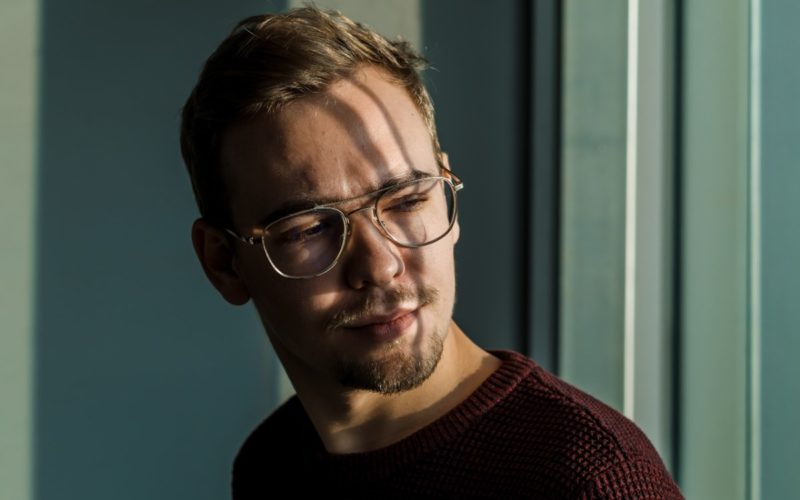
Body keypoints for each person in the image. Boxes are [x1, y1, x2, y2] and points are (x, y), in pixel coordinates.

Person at [180, 6, 683, 499]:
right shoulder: (273, 464)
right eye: (309, 228)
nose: (380, 265)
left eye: (407, 201)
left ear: (447, 199)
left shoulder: (592, 479)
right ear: (224, 263)